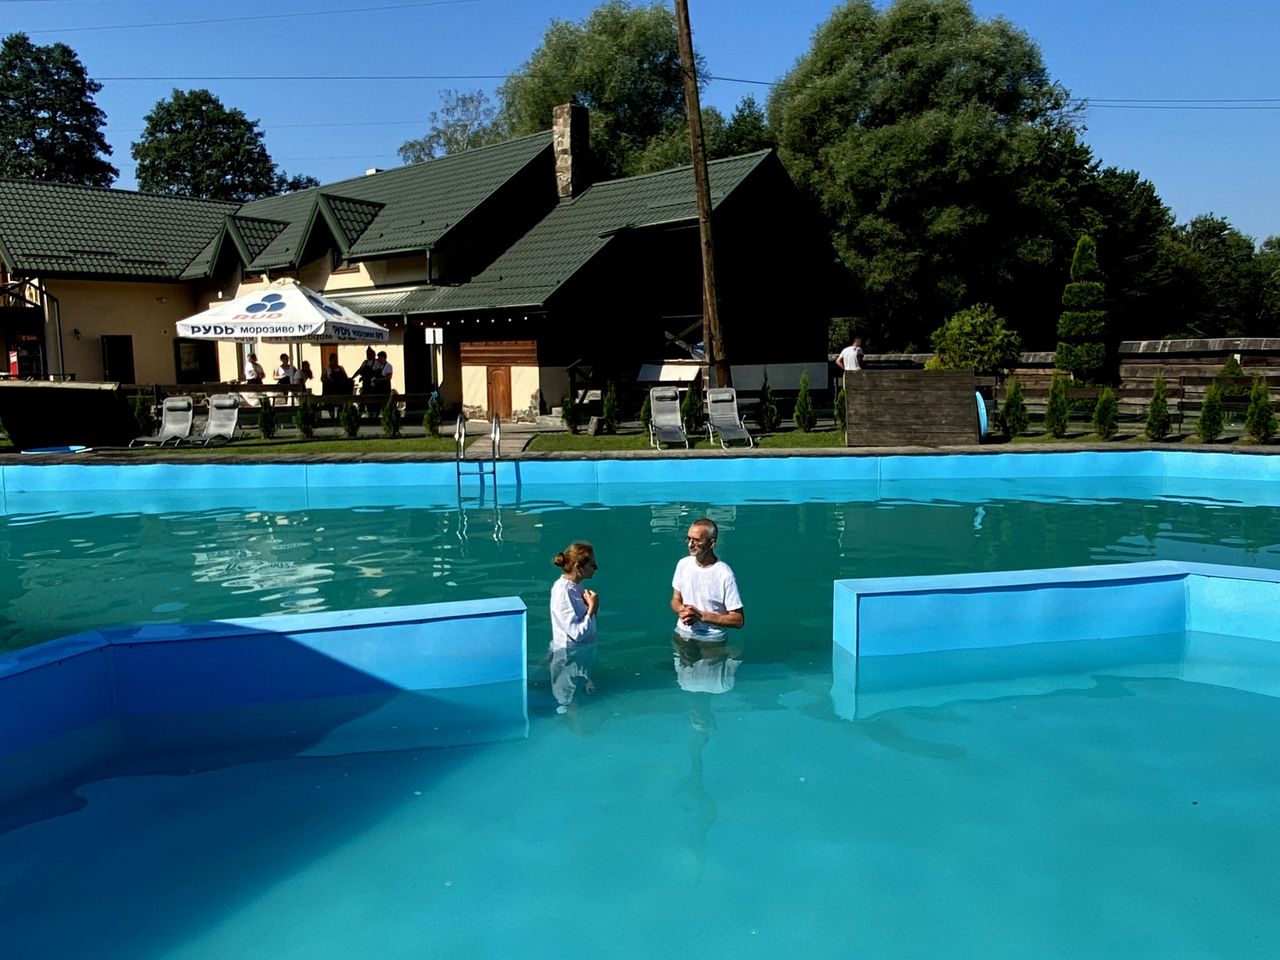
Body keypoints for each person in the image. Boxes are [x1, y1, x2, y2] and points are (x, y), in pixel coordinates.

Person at [671, 518, 744, 640]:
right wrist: (682, 610)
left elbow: (738, 620)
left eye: (697, 540)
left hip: (711, 640)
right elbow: (675, 599)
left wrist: (701, 616)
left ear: (712, 543)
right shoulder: (683, 564)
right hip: (681, 633)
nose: (690, 544)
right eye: (689, 539)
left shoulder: (724, 574)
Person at [549, 541, 599, 714]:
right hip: (569, 655)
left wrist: (587, 677)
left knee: (583, 698)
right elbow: (576, 633)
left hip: (581, 654)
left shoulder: (577, 586)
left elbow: (585, 623)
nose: (596, 567)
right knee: (567, 701)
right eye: (592, 564)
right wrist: (592, 607)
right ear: (579, 567)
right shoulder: (563, 592)